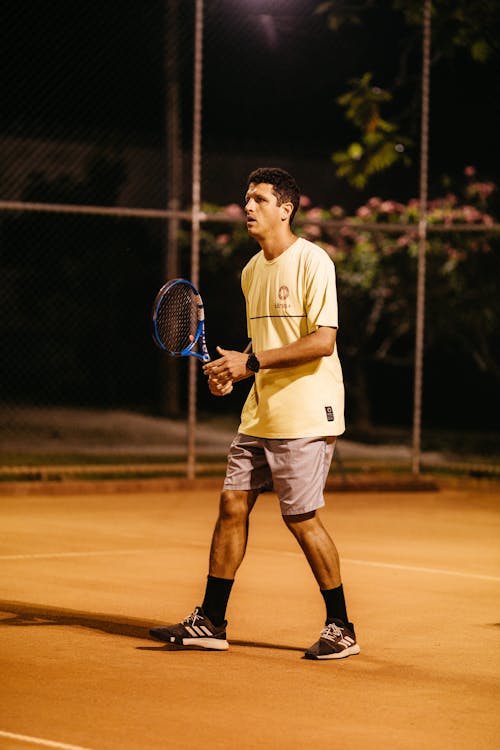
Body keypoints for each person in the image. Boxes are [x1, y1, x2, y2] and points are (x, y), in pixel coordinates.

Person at [150, 167, 359, 660]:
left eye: (259, 199)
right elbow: (261, 345)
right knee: (231, 505)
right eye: (246, 199)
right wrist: (237, 369)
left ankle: (341, 626)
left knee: (301, 517)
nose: (248, 207)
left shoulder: (314, 262)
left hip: (307, 411)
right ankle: (211, 620)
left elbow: (323, 340)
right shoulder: (251, 271)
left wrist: (253, 362)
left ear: (285, 209)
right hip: (261, 410)